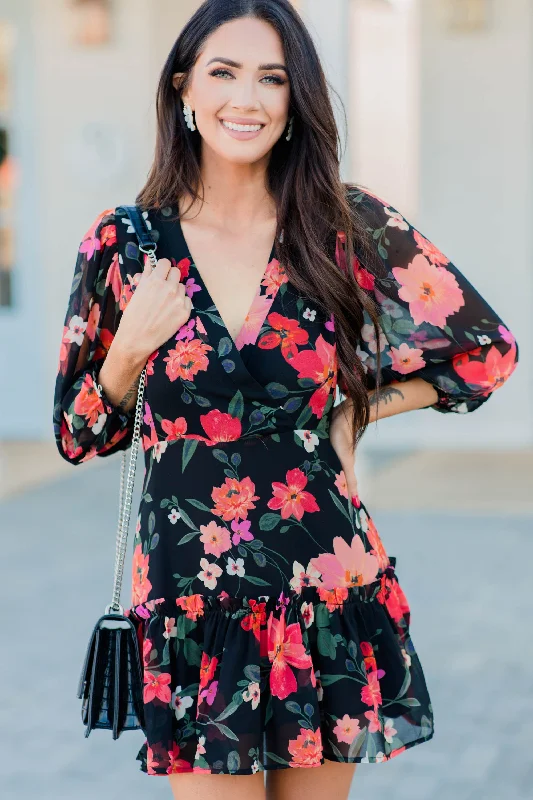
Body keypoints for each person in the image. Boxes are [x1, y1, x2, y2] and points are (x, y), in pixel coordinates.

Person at [53, 2, 519, 799]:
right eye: (224, 73)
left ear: (295, 99)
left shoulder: (341, 222)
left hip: (324, 580)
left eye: (272, 77)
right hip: (191, 596)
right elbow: (79, 433)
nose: (249, 98)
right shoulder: (124, 243)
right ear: (184, 91)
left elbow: (483, 352)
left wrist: (356, 410)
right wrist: (129, 347)